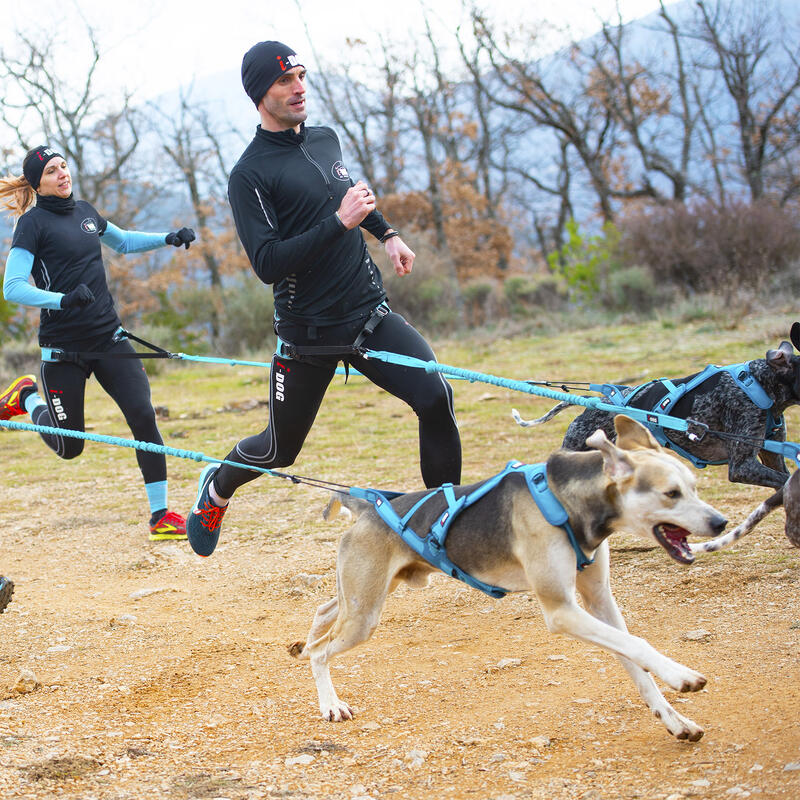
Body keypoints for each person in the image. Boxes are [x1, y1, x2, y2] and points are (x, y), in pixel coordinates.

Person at [186, 40, 462, 557]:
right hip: (308, 335)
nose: (299, 89)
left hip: (367, 316)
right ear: (259, 94)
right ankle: (216, 489)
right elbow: (267, 262)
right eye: (285, 81)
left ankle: (441, 525)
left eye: (302, 77)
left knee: (435, 396)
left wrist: (388, 234)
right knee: (279, 449)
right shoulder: (249, 175)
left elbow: (348, 195)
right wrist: (340, 224)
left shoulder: (325, 139)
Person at [0, 145, 196, 541]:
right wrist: (62, 300)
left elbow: (122, 242)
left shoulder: (86, 211)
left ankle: (160, 515)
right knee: (71, 447)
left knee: (143, 415)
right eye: (52, 171)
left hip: (109, 338)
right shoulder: (32, 224)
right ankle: (27, 400)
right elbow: (12, 287)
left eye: (63, 166)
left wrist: (168, 238)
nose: (62, 174)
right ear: (38, 184)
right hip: (64, 350)